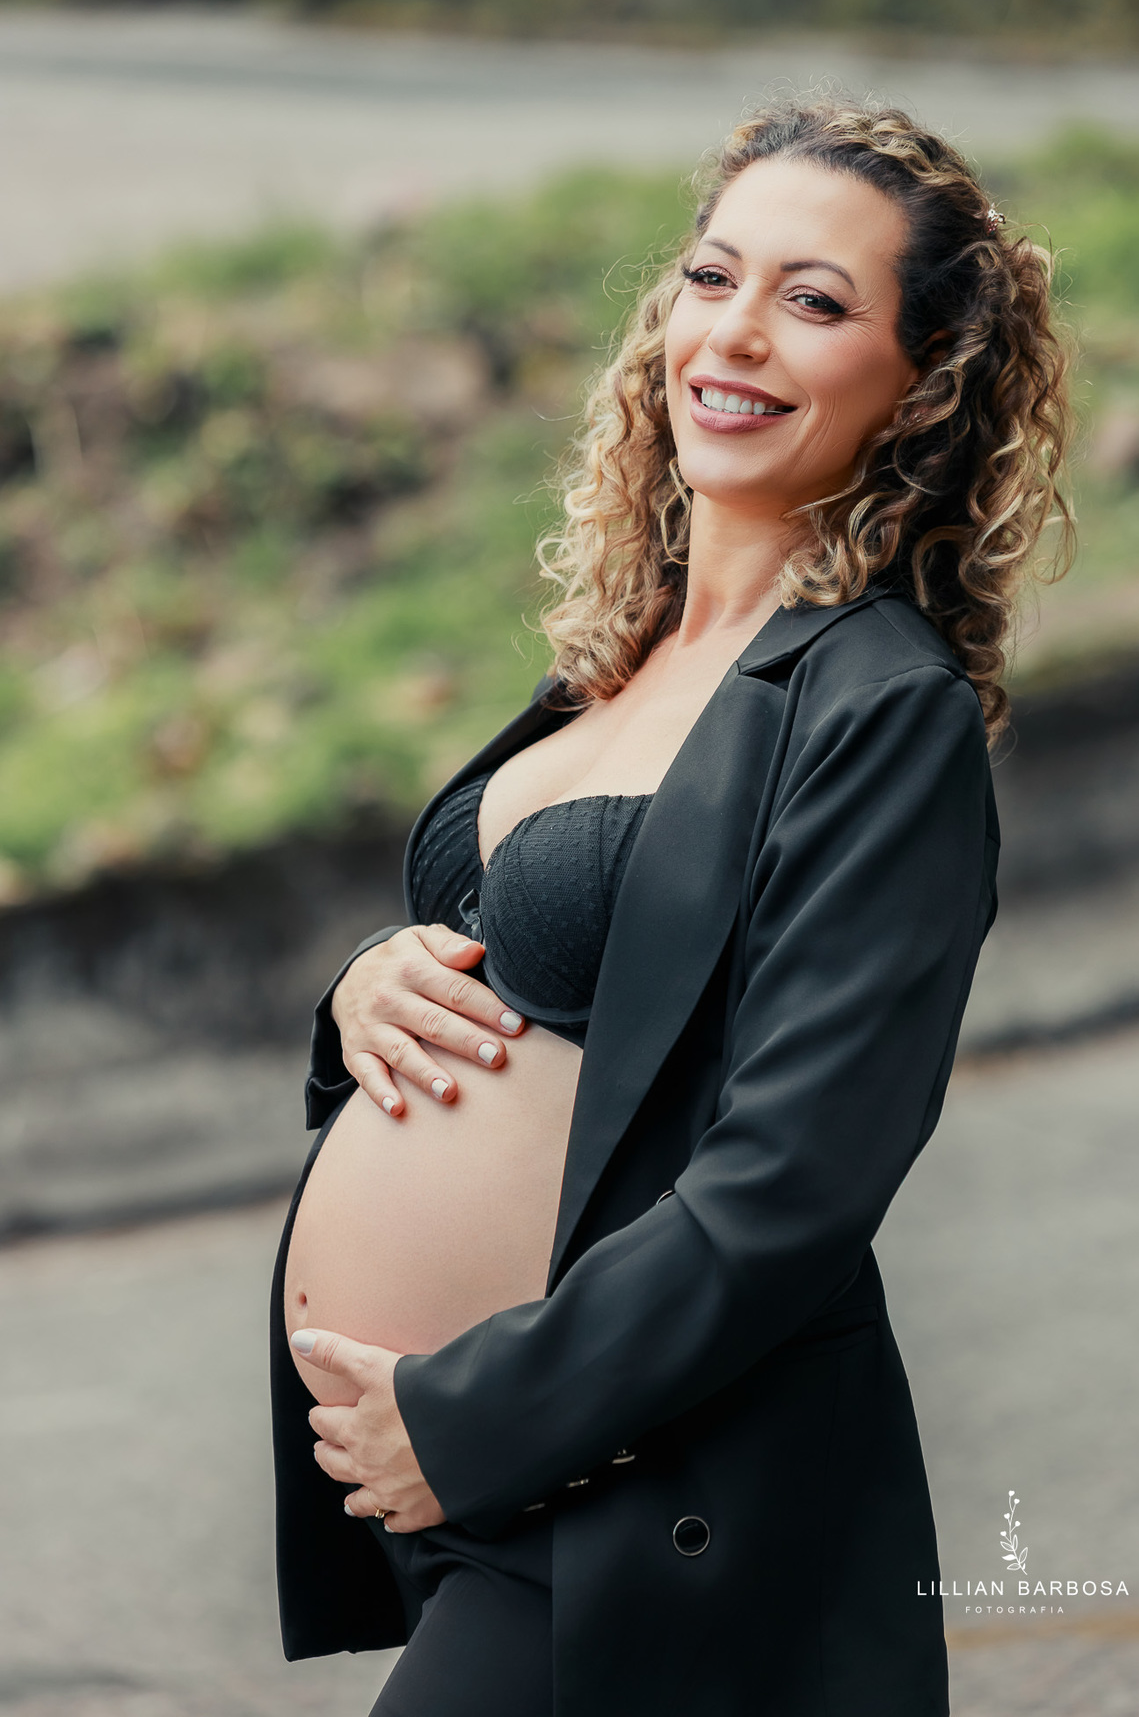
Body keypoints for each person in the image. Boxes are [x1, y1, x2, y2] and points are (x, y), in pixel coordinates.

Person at [269, 95, 1073, 1717]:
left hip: (642, 1498)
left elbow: (795, 1182)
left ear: (918, 385)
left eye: (818, 301)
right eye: (716, 277)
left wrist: (479, 1412)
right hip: (482, 1486)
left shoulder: (877, 707)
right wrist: (365, 989)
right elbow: (561, 991)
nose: (740, 333)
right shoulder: (618, 666)